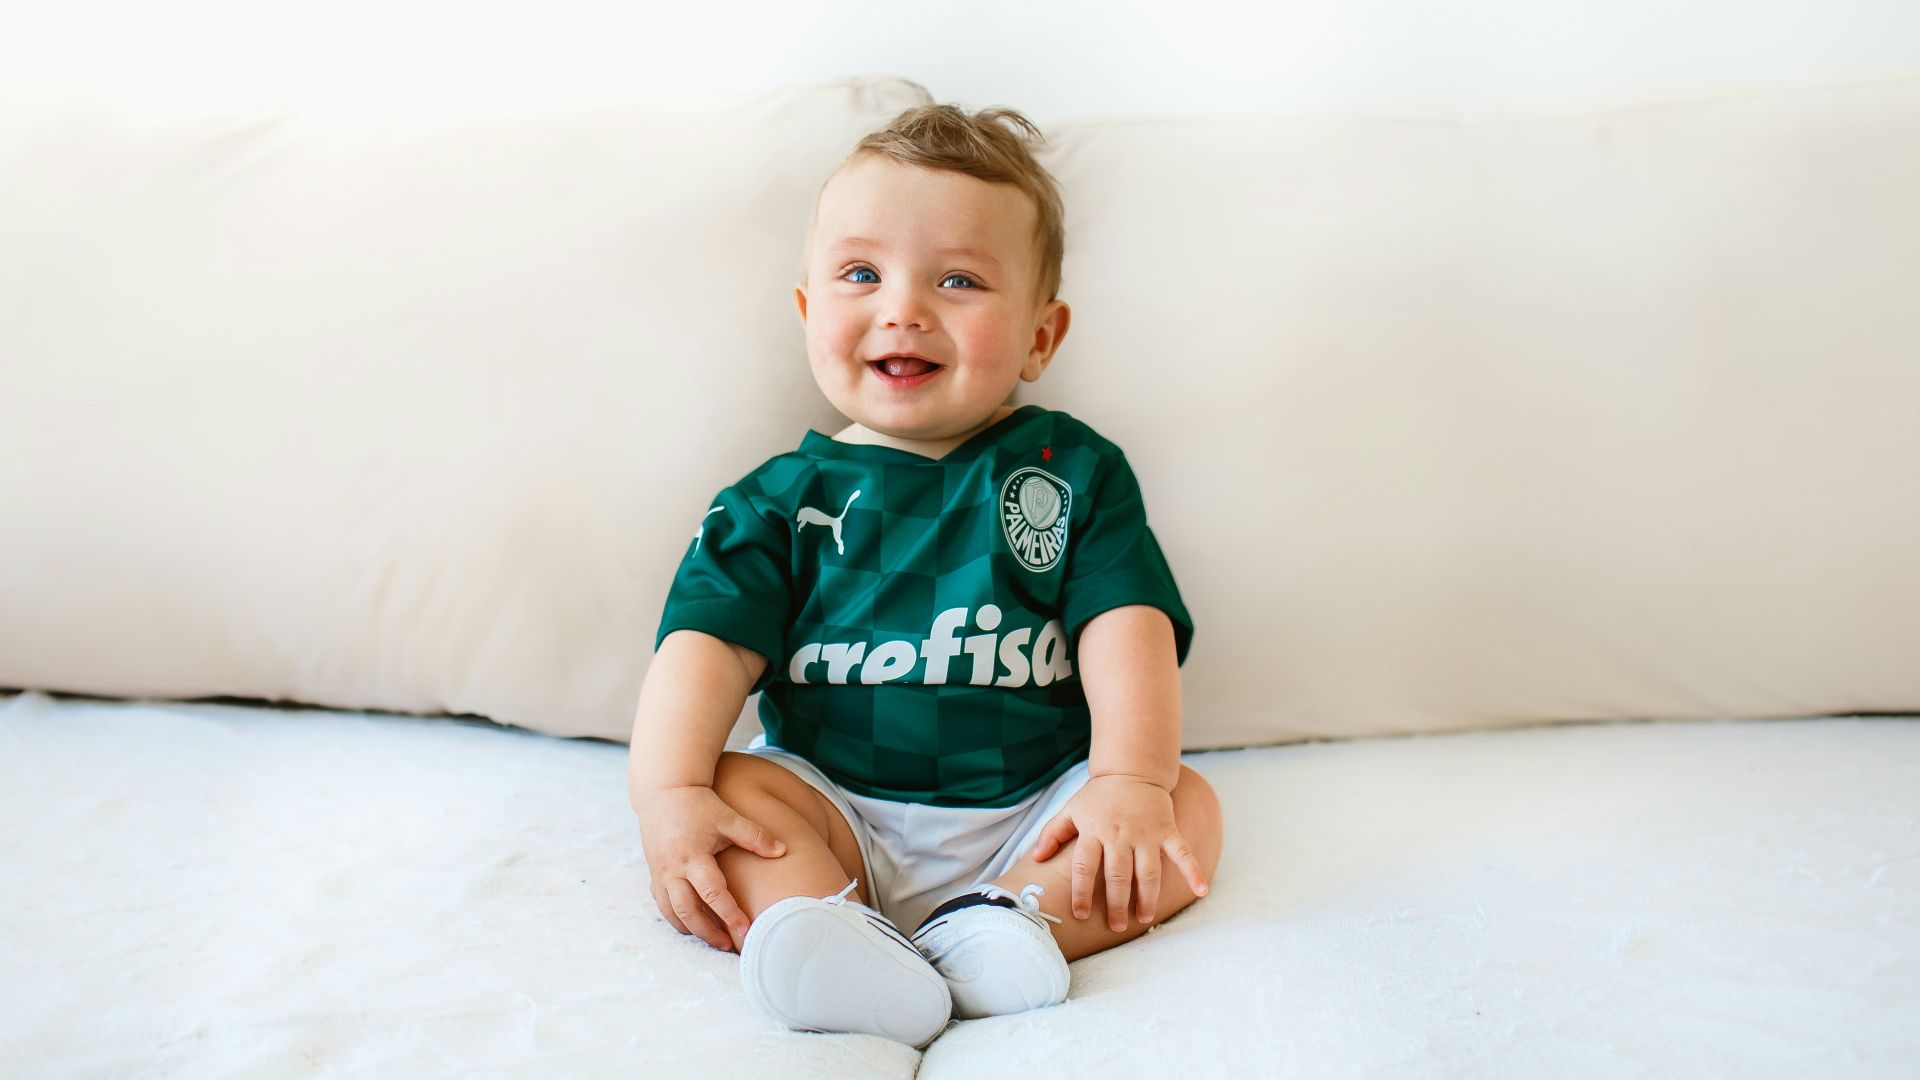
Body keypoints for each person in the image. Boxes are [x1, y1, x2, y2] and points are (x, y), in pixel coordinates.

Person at [628, 102, 1224, 1048]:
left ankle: (1011, 926)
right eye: (860, 274)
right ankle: (840, 939)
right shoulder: (776, 500)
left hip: (1035, 813)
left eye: (958, 280)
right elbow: (701, 650)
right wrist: (668, 799)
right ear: (808, 312)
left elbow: (1127, 622)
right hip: (836, 802)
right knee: (736, 790)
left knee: (1182, 806)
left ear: (1039, 335)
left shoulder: (1072, 472)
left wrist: (1127, 779)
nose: (903, 308)